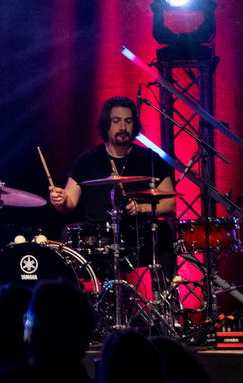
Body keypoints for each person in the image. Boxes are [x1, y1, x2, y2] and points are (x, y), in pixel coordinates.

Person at [46, 96, 173, 276]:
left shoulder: (150, 159)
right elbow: (69, 203)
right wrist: (60, 200)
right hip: (98, 236)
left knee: (164, 231)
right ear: (107, 124)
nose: (123, 127)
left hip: (138, 236)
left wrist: (141, 208)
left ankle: (165, 298)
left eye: (128, 121)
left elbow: (171, 204)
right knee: (68, 233)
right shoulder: (87, 160)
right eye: (116, 121)